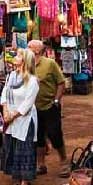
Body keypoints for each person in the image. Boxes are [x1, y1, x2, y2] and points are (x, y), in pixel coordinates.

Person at [0, 50, 39, 185]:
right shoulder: (12, 76)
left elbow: (27, 104)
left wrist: (12, 115)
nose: (14, 58)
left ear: (25, 61)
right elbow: (5, 93)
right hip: (11, 118)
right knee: (13, 146)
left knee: (25, 150)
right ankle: (16, 177)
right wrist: (5, 111)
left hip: (25, 120)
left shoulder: (33, 81)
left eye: (18, 56)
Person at [27, 39, 68, 177]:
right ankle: (41, 164)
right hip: (33, 107)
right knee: (38, 137)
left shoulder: (50, 64)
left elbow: (61, 82)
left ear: (37, 50)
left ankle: (64, 162)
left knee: (55, 134)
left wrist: (57, 99)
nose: (27, 49)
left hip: (50, 106)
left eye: (29, 47)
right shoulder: (27, 65)